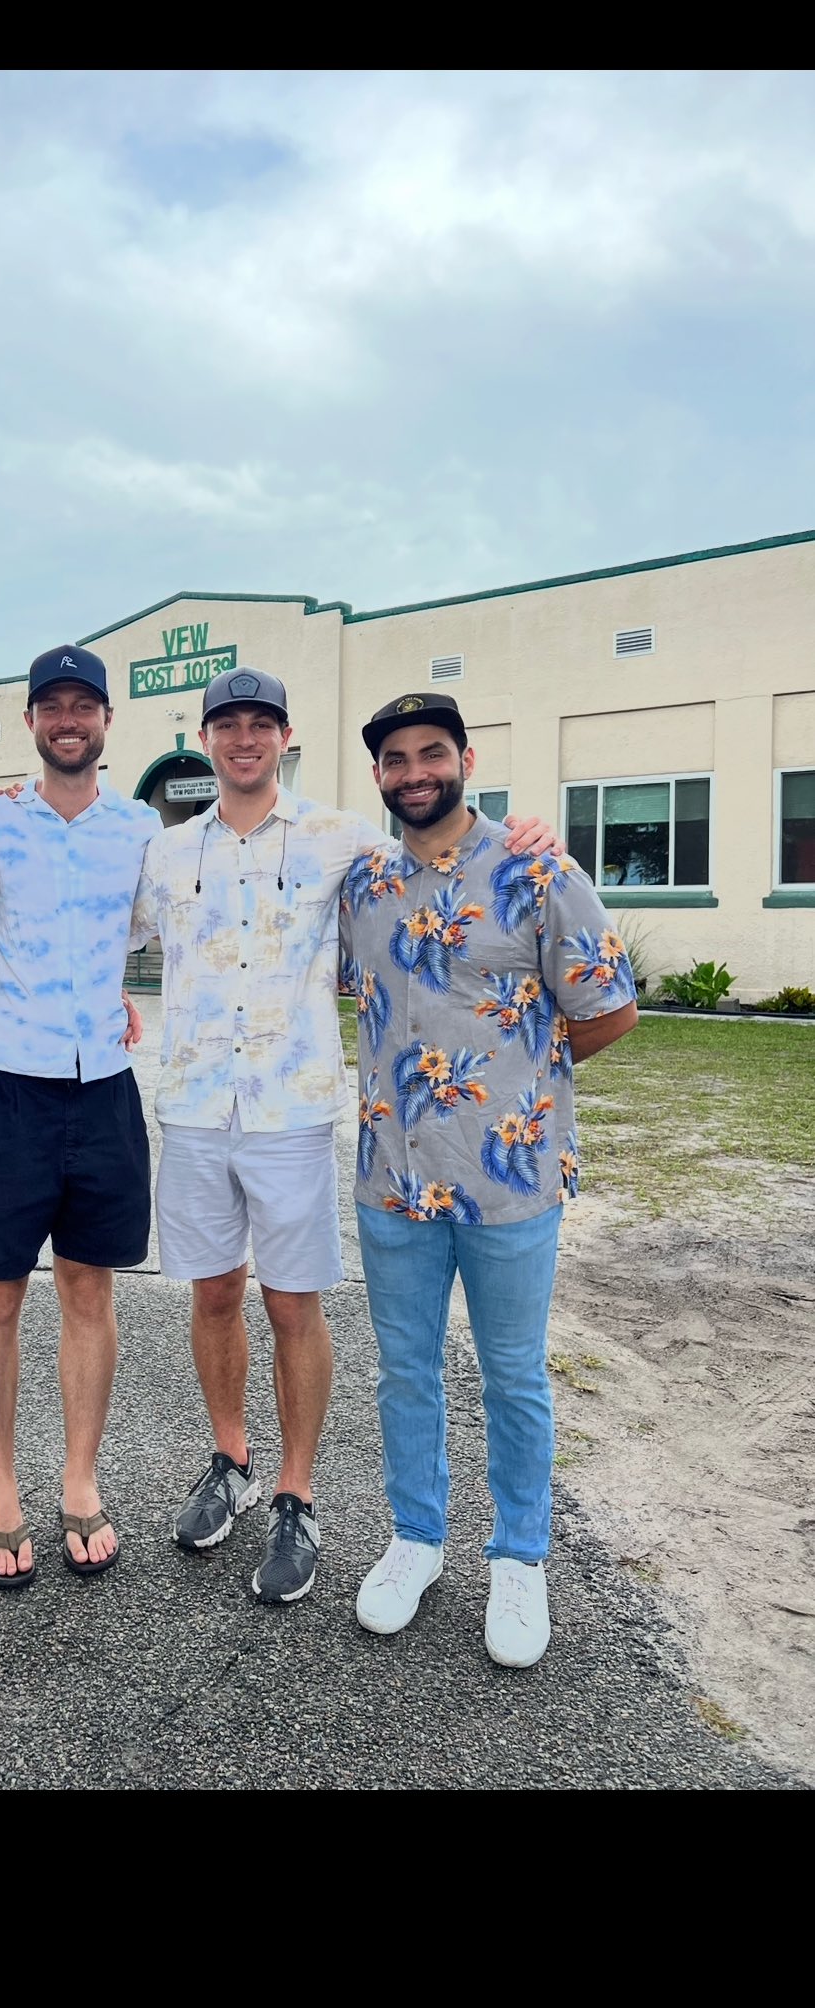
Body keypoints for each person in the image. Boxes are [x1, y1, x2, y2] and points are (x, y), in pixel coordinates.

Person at [127, 670, 567, 1608]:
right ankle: (231, 1463)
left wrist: (530, 834)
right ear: (206, 738)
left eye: (261, 724)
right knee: (212, 1295)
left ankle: (297, 1495)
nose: (244, 739)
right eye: (227, 724)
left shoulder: (346, 843)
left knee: (293, 1307)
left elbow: (445, 843)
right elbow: (89, 924)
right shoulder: (161, 855)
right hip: (197, 1107)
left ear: (285, 737)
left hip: (291, 1112)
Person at [342, 690, 639, 1667]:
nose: (415, 771)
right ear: (379, 775)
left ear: (465, 758)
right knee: (405, 1372)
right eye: (396, 759)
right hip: (394, 1181)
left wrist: (525, 1086)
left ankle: (519, 1558)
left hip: (509, 1187)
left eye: (433, 752)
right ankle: (416, 1539)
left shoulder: (534, 866)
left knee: (513, 1375)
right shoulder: (364, 884)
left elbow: (608, 1007)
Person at [0, 646, 156, 1589]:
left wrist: (115, 996)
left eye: (85, 705)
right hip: (9, 1086)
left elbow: (153, 930)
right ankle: (0, 1490)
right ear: (31, 720)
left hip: (105, 1088)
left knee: (89, 1293)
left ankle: (80, 1479)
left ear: (107, 721)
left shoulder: (143, 828)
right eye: (52, 706)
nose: (68, 720)